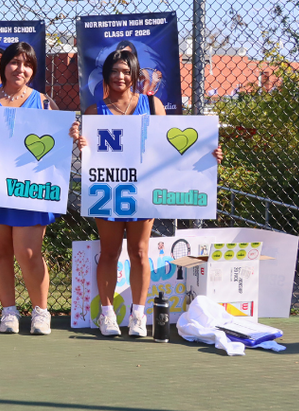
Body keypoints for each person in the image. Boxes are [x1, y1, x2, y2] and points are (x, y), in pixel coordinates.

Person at [70, 48, 223, 337]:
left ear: (135, 76)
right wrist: (81, 145)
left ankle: (138, 316)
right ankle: (107, 315)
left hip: (144, 189)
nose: (120, 76)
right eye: (114, 71)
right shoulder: (94, 112)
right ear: (106, 75)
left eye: (126, 71)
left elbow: (173, 150)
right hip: (109, 190)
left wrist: (206, 155)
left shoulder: (152, 106)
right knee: (109, 252)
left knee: (139, 252)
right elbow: (85, 154)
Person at [0, 42, 64, 335]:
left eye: (26, 64)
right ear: (3, 65)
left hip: (30, 190)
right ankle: (8, 311)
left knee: (28, 252)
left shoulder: (45, 102)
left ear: (33, 69)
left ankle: (40, 311)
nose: (20, 69)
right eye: (14, 62)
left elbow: (59, 142)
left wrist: (70, 132)